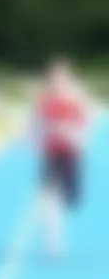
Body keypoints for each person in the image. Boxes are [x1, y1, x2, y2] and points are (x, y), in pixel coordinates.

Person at [34, 58, 93, 257]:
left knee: (72, 200)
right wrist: (34, 138)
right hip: (51, 154)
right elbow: (36, 124)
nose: (56, 81)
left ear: (67, 77)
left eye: (60, 77)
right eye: (52, 77)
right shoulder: (44, 101)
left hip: (71, 154)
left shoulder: (76, 99)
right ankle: (53, 244)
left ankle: (56, 232)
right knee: (48, 198)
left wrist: (74, 135)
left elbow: (86, 125)